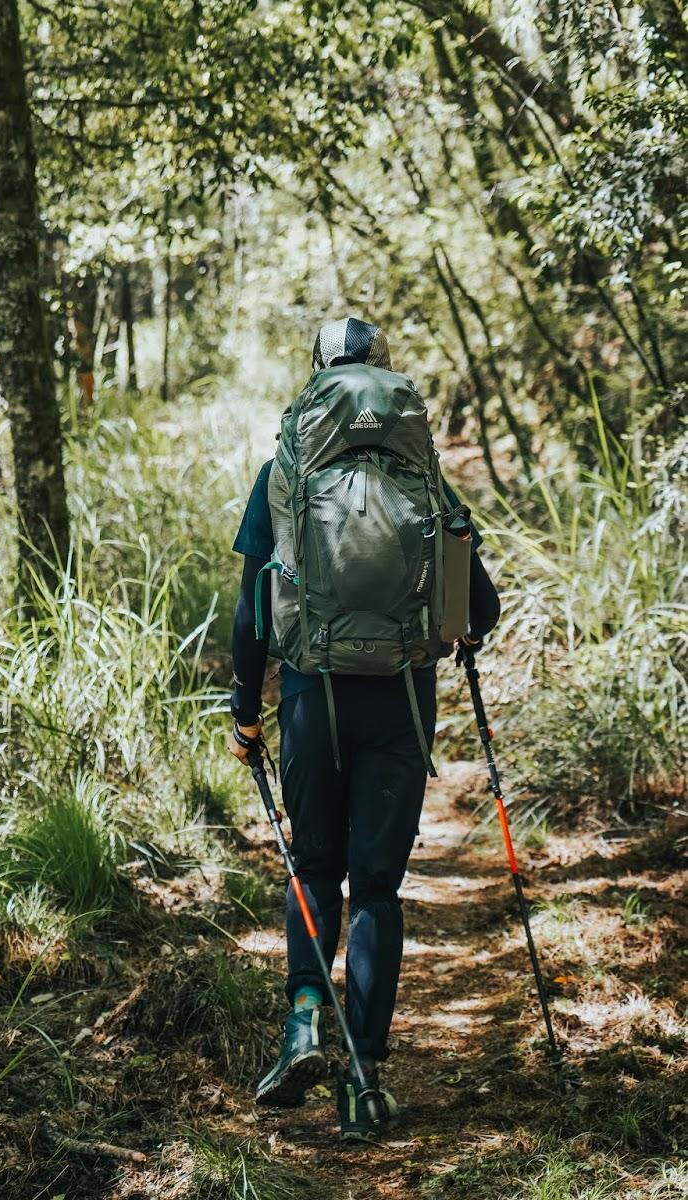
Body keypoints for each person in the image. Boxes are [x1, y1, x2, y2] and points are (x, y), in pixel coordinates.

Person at [229, 316, 500, 1139]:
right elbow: (478, 604)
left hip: (315, 699)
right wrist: (460, 636)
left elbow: (252, 612)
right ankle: (366, 1079)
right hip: (402, 701)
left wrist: (248, 711)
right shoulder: (422, 469)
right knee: (377, 886)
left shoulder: (286, 467)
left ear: (314, 376)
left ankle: (305, 1019)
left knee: (314, 866)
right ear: (385, 374)